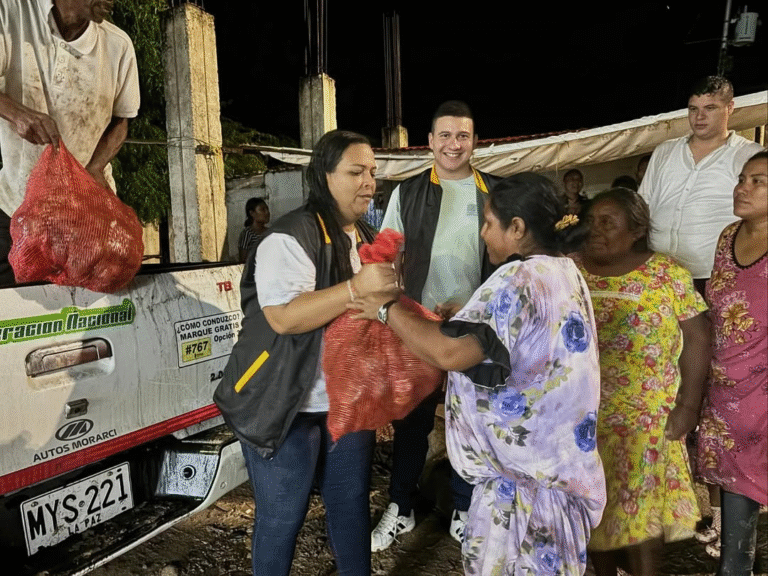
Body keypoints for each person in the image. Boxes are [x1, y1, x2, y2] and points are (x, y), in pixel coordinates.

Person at [350, 172, 606, 576]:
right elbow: (511, 347)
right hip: (553, 482)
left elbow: (449, 352)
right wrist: (457, 322)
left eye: (488, 223)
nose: (482, 234)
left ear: (517, 228)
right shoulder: (563, 271)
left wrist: (386, 309)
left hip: (523, 495)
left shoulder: (516, 278)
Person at [213, 130, 397, 576]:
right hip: (283, 403)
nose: (369, 181)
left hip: (345, 405)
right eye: (356, 172)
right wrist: (356, 289)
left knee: (350, 505)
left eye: (372, 171)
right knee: (282, 519)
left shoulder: (368, 236)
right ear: (324, 176)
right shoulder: (288, 236)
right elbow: (283, 317)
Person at [371, 100, 500, 550]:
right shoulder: (407, 193)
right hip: (418, 328)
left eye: (462, 135)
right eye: (444, 135)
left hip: (477, 326)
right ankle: (401, 508)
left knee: (470, 421)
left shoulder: (495, 194)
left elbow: (510, 258)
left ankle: (465, 509)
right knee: (412, 420)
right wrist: (393, 306)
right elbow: (387, 252)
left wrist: (472, 304)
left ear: (475, 141)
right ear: (430, 141)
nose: (453, 144)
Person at [571, 188, 711, 576]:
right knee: (595, 513)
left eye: (608, 222)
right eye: (591, 220)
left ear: (636, 231)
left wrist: (688, 406)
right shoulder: (568, 269)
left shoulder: (667, 273)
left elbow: (698, 340)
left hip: (645, 423)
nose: (595, 229)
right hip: (582, 419)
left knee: (641, 520)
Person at [0, 0, 140, 287]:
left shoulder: (118, 45)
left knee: (84, 314)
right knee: (17, 315)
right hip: (15, 206)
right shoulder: (11, 12)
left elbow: (121, 121)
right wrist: (17, 113)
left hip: (85, 222)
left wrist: (94, 170)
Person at [696, 150, 767, 574]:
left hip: (764, 397)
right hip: (726, 396)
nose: (743, 186)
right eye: (743, 177)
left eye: (759, 180)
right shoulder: (728, 237)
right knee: (736, 534)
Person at [638, 76, 763, 295]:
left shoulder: (749, 155)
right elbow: (642, 205)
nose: (700, 117)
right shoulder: (664, 151)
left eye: (710, 108)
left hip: (714, 275)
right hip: (659, 271)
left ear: (730, 108)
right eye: (693, 109)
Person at [238, 197, 270, 263]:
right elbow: (243, 261)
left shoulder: (270, 232)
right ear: (252, 213)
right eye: (262, 209)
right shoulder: (247, 234)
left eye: (267, 209)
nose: (267, 212)